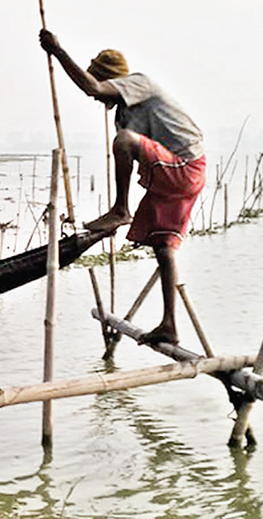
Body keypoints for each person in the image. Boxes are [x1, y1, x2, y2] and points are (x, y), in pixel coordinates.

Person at [38, 28, 206, 346]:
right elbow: (99, 96)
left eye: (104, 88)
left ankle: (120, 209)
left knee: (124, 141)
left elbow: (92, 88)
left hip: (186, 166)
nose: (99, 97)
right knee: (164, 248)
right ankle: (169, 323)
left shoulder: (140, 83)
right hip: (176, 177)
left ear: (113, 81)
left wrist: (58, 50)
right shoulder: (124, 115)